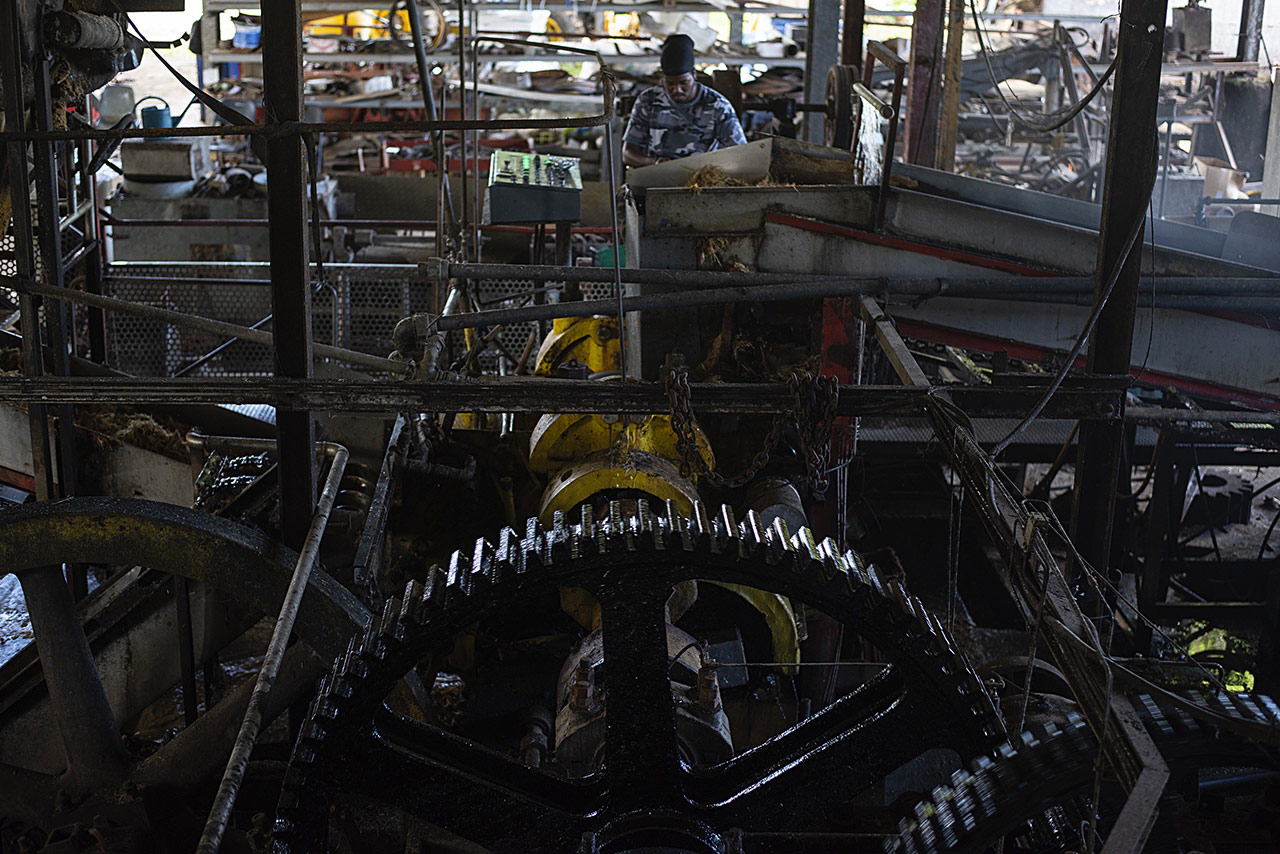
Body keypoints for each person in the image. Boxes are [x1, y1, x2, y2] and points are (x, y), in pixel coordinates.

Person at [622, 34, 747, 167]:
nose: (677, 90)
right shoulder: (648, 101)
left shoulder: (717, 106)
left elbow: (738, 154)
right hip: (657, 176)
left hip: (702, 178)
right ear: (662, 78)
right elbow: (628, 153)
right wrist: (655, 163)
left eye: (684, 82)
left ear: (694, 74)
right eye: (670, 84)